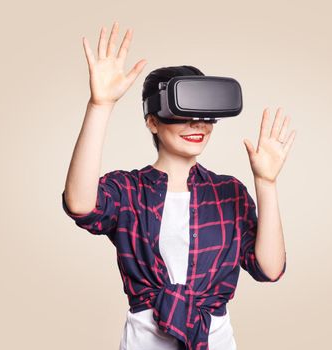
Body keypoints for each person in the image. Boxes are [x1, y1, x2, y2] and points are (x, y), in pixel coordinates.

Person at [62, 21, 296, 350]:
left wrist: (266, 183)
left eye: (205, 115)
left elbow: (269, 269)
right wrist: (100, 106)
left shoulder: (228, 192)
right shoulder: (130, 190)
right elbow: (80, 204)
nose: (197, 124)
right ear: (152, 121)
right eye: (184, 113)